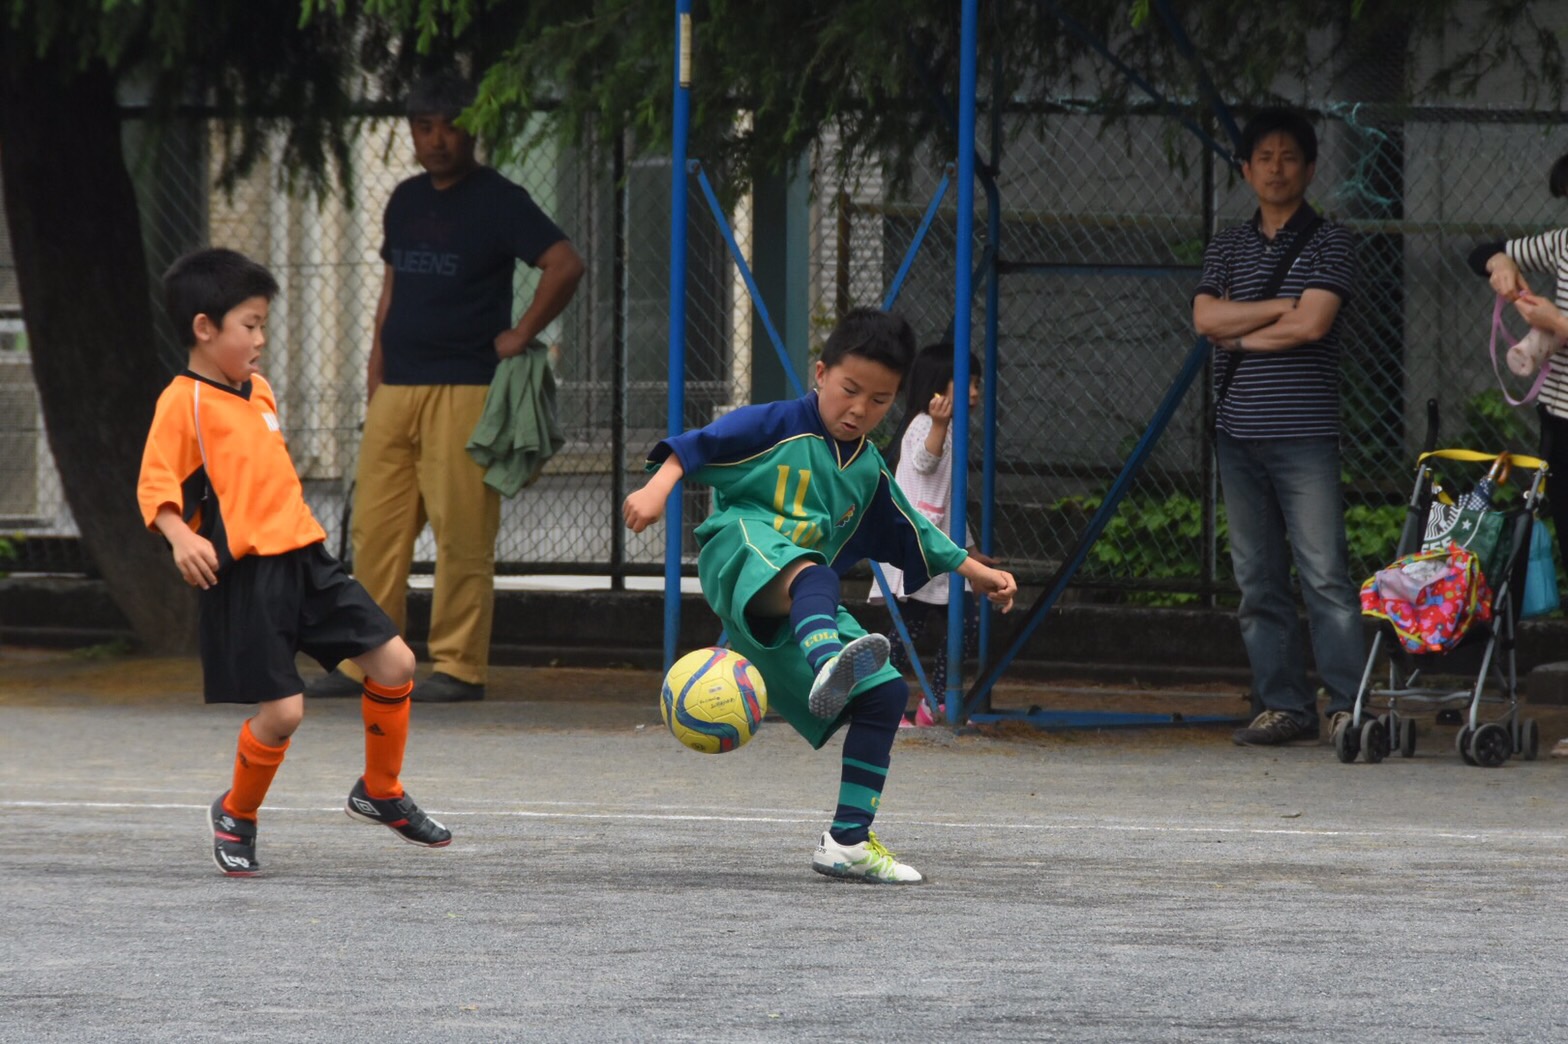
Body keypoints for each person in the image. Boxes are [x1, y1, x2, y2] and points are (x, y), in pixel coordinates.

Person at [623, 308, 1018, 883]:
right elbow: (695, 447)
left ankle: (848, 841)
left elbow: (913, 529)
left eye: (879, 401)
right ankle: (826, 661)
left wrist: (971, 570)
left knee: (883, 695)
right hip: (739, 554)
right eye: (850, 390)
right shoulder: (777, 423)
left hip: (798, 606)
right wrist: (656, 491)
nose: (859, 409)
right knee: (816, 577)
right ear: (821, 374)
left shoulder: (867, 469)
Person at [137, 248, 451, 877]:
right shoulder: (183, 402)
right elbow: (154, 484)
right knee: (283, 713)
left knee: (396, 663)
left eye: (262, 326)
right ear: (205, 327)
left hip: (307, 559)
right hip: (249, 578)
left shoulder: (258, 391)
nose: (259, 339)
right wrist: (179, 535)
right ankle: (236, 812)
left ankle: (380, 790)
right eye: (249, 325)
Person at [307, 71, 584, 703]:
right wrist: (375, 369)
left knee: (462, 533)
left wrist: (520, 334)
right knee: (374, 533)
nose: (436, 140)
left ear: (470, 131)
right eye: (423, 127)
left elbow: (564, 262)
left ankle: (459, 668)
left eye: (449, 127)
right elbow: (391, 290)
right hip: (396, 388)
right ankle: (364, 660)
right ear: (411, 132)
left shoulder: (499, 198)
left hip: (467, 389)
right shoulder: (404, 199)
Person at [1191, 107, 1365, 748]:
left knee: (1324, 574)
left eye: (1289, 156)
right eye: (1264, 157)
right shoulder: (1228, 244)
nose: (1276, 167)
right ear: (1246, 168)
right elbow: (1206, 318)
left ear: (1311, 168)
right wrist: (1276, 309)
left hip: (1306, 435)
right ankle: (1283, 705)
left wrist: (1243, 333)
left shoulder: (1331, 241)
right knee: (1257, 577)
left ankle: (1349, 704)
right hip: (1237, 434)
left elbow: (1313, 324)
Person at [1467, 153, 1568, 757]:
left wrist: (1558, 321)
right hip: (1560, 422)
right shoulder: (1563, 243)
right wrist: (1500, 262)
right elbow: (1482, 249)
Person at [874, 343, 995, 724]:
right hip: (914, 549)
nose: (976, 391)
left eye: (977, 383)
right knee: (906, 631)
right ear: (937, 387)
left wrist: (971, 552)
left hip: (938, 550)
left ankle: (936, 702)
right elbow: (925, 463)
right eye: (967, 382)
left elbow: (950, 503)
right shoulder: (923, 425)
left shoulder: (950, 430)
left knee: (964, 622)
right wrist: (939, 426)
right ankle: (882, 703)